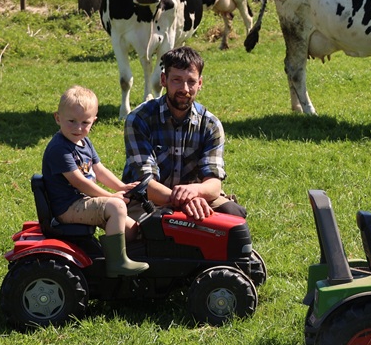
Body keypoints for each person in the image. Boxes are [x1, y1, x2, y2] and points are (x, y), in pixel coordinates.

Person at [122, 46, 246, 220]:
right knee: (154, 226)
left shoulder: (211, 124)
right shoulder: (139, 119)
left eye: (191, 81)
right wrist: (183, 201)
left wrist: (195, 193)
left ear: (200, 83)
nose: (185, 89)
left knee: (233, 215)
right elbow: (146, 184)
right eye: (177, 80)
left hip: (197, 197)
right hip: (147, 199)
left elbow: (214, 183)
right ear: (164, 80)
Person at [42, 86, 149, 277]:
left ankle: (123, 257)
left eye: (85, 122)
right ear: (58, 118)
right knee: (116, 207)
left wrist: (122, 187)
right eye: (72, 121)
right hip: (68, 207)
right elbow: (79, 182)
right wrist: (111, 197)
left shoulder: (85, 142)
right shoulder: (60, 148)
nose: (78, 128)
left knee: (134, 230)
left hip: (82, 202)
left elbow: (99, 170)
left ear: (94, 122)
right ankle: (117, 264)